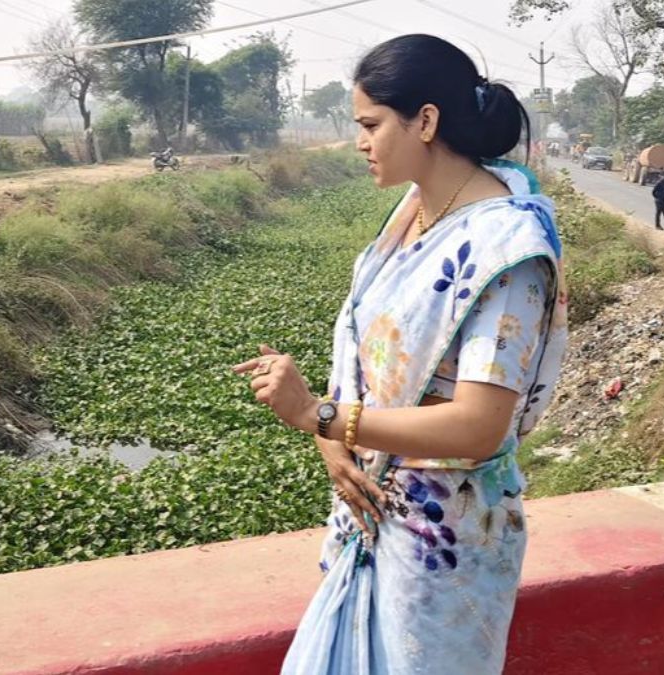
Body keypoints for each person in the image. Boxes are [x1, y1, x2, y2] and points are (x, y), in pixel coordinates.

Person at [232, 34, 568, 674]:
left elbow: (476, 425)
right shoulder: (412, 215)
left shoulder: (506, 248)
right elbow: (360, 348)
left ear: (427, 120)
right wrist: (332, 444)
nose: (359, 142)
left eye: (370, 124)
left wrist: (320, 417)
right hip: (367, 513)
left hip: (445, 538)